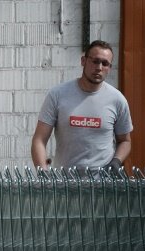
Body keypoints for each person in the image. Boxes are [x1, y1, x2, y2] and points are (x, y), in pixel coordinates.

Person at [31, 40, 133, 172]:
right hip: (65, 185)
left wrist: (116, 161)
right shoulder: (58, 95)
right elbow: (39, 139)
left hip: (102, 185)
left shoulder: (117, 100)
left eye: (105, 63)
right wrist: (43, 174)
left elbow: (125, 141)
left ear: (110, 68)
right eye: (95, 61)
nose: (99, 67)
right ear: (83, 61)